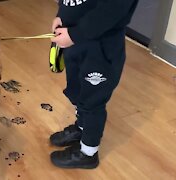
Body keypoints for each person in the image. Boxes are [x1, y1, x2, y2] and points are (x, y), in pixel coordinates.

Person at [49, 0, 139, 169]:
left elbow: (112, 10)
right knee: (78, 91)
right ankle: (82, 128)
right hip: (75, 42)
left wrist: (75, 35)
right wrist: (61, 14)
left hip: (100, 48)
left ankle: (88, 153)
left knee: (93, 100)